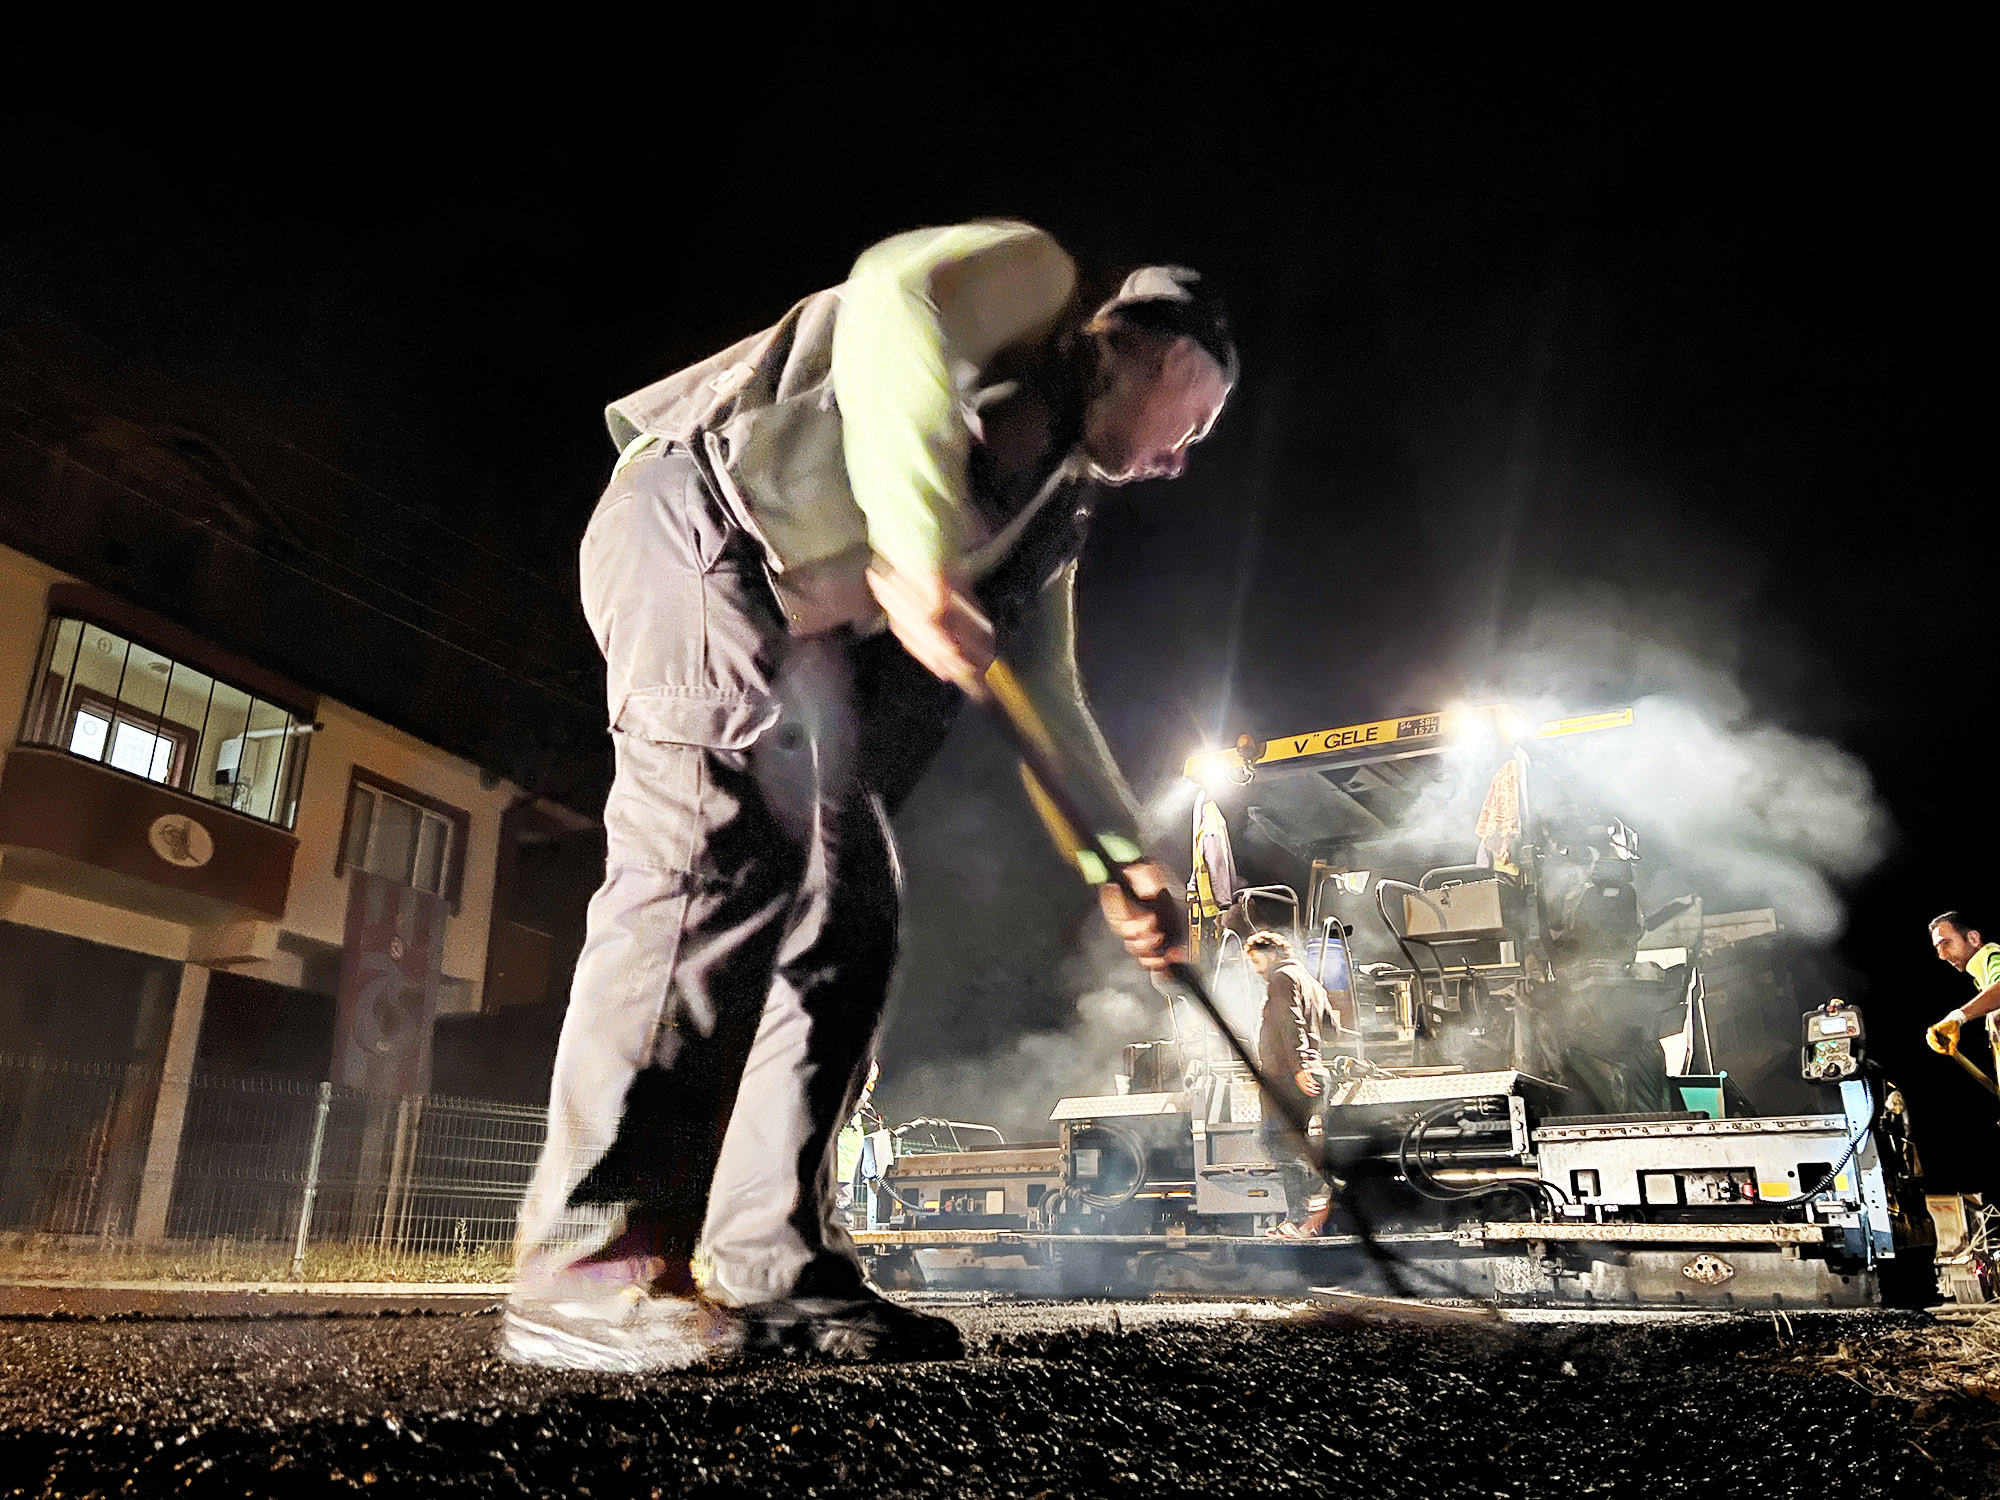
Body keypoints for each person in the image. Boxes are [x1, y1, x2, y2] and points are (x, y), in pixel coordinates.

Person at [504, 221, 1235, 1372]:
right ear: (1154, 350)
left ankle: (770, 1263)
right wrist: (915, 544)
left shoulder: (1051, 510)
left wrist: (1121, 867)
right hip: (699, 523)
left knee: (849, 910)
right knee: (708, 857)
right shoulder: (1036, 282)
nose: (1179, 461)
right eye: (1192, 424)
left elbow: (1045, 688)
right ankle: (584, 1267)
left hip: (792, 623)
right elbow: (893, 295)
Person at [1245, 930, 1341, 1237]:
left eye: (1258, 960)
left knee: (1275, 1140)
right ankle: (1299, 1219)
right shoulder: (1311, 982)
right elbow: (1332, 1029)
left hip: (1287, 1076)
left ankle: (1319, 1190)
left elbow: (1290, 1022)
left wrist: (1299, 1067)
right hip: (1314, 1071)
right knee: (1289, 1142)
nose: (1257, 969)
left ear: (1272, 953)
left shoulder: (1282, 979)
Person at [1926, 911, 2000, 1057]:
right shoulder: (1984, 979)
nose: (1942, 955)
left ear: (1973, 938)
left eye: (1945, 943)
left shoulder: (1994, 958)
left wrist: (1957, 1017)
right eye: (1937, 948)